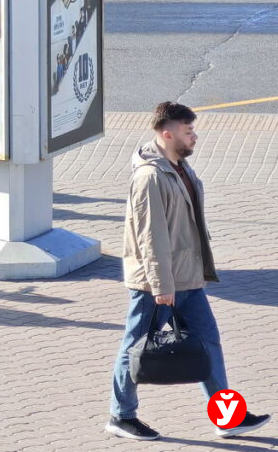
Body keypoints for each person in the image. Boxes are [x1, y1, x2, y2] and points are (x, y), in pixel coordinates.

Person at [105, 102, 271, 441]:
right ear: (167, 134)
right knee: (135, 347)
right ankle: (121, 416)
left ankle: (227, 417)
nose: (194, 136)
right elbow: (151, 236)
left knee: (208, 342)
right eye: (187, 131)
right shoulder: (150, 176)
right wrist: (161, 285)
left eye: (193, 130)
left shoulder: (177, 165)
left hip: (187, 278)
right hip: (158, 283)